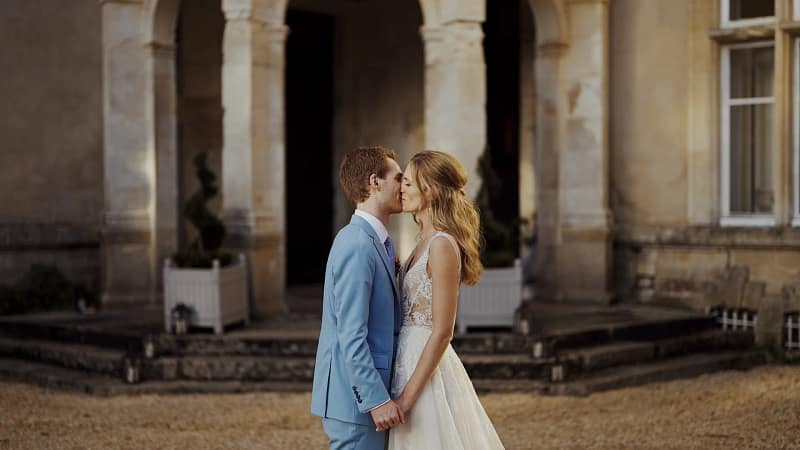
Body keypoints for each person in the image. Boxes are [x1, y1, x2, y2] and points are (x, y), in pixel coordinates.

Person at [388, 150, 505, 449]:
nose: (402, 188)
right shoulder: (421, 242)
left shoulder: (441, 244)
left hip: (424, 366)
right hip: (406, 357)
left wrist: (407, 398)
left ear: (432, 190)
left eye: (410, 183)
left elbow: (442, 331)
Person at [311, 146, 406, 449]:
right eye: (398, 179)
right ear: (375, 181)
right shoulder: (357, 244)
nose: (403, 187)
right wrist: (376, 400)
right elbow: (351, 334)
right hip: (356, 401)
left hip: (364, 397)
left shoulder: (375, 242)